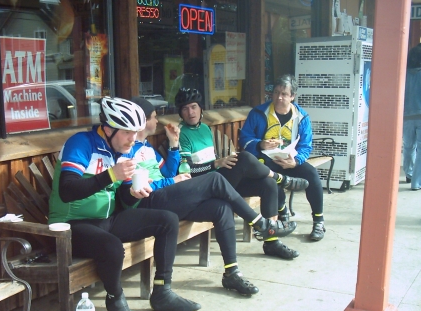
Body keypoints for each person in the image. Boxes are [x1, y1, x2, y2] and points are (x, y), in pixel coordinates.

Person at [118, 98, 299, 297]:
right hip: (150, 202)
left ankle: (232, 272)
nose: (157, 121)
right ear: (142, 122)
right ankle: (260, 224)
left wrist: (173, 143)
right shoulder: (127, 150)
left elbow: (168, 171)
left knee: (221, 207)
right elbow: (139, 186)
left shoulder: (147, 148)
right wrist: (172, 181)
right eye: (153, 117)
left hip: (168, 196)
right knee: (215, 179)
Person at [48, 97, 201, 311]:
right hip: (70, 226)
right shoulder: (80, 143)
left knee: (167, 220)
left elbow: (123, 199)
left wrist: (133, 193)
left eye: (135, 132)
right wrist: (111, 175)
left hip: (106, 220)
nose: (133, 138)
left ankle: (162, 291)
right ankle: (115, 298)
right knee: (112, 247)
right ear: (108, 129)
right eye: (127, 132)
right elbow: (67, 190)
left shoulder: (120, 149)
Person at [175, 88, 308, 259]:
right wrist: (215, 163)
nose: (190, 112)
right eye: (185, 109)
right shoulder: (181, 134)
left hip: (220, 182)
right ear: (180, 113)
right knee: (244, 157)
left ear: (201, 108)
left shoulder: (205, 129)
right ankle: (282, 179)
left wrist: (219, 163)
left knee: (268, 184)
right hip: (204, 188)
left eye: (194, 107)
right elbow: (188, 171)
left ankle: (272, 242)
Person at [239, 74, 326, 241]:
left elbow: (306, 146)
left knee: (312, 174)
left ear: (292, 96)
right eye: (276, 92)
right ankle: (283, 212)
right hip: (265, 161)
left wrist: (296, 161)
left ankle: (318, 221)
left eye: (284, 94)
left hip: (290, 161)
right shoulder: (258, 113)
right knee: (270, 177)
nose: (279, 97)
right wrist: (260, 144)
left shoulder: (302, 117)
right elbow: (245, 139)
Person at [403, 43, 421, 191]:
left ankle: (408, 173)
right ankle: (416, 182)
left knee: (409, 146)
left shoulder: (403, 74)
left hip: (406, 116)